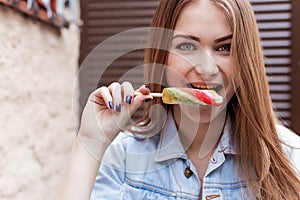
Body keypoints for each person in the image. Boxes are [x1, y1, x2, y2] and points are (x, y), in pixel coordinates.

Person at [54, 0, 300, 199]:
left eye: (225, 48)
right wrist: (89, 143)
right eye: (187, 47)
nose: (206, 69)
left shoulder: (289, 155)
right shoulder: (123, 155)